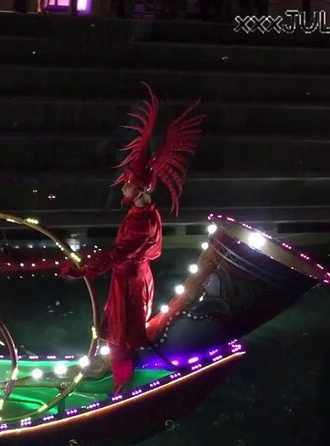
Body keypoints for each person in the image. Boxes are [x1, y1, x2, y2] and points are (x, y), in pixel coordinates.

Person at [62, 83, 204, 394]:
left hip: (131, 284)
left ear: (139, 189)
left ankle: (121, 387)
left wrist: (84, 269)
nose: (123, 187)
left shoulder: (143, 220)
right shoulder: (140, 212)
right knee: (117, 333)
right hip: (125, 279)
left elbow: (120, 252)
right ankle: (119, 372)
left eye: (127, 184)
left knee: (122, 337)